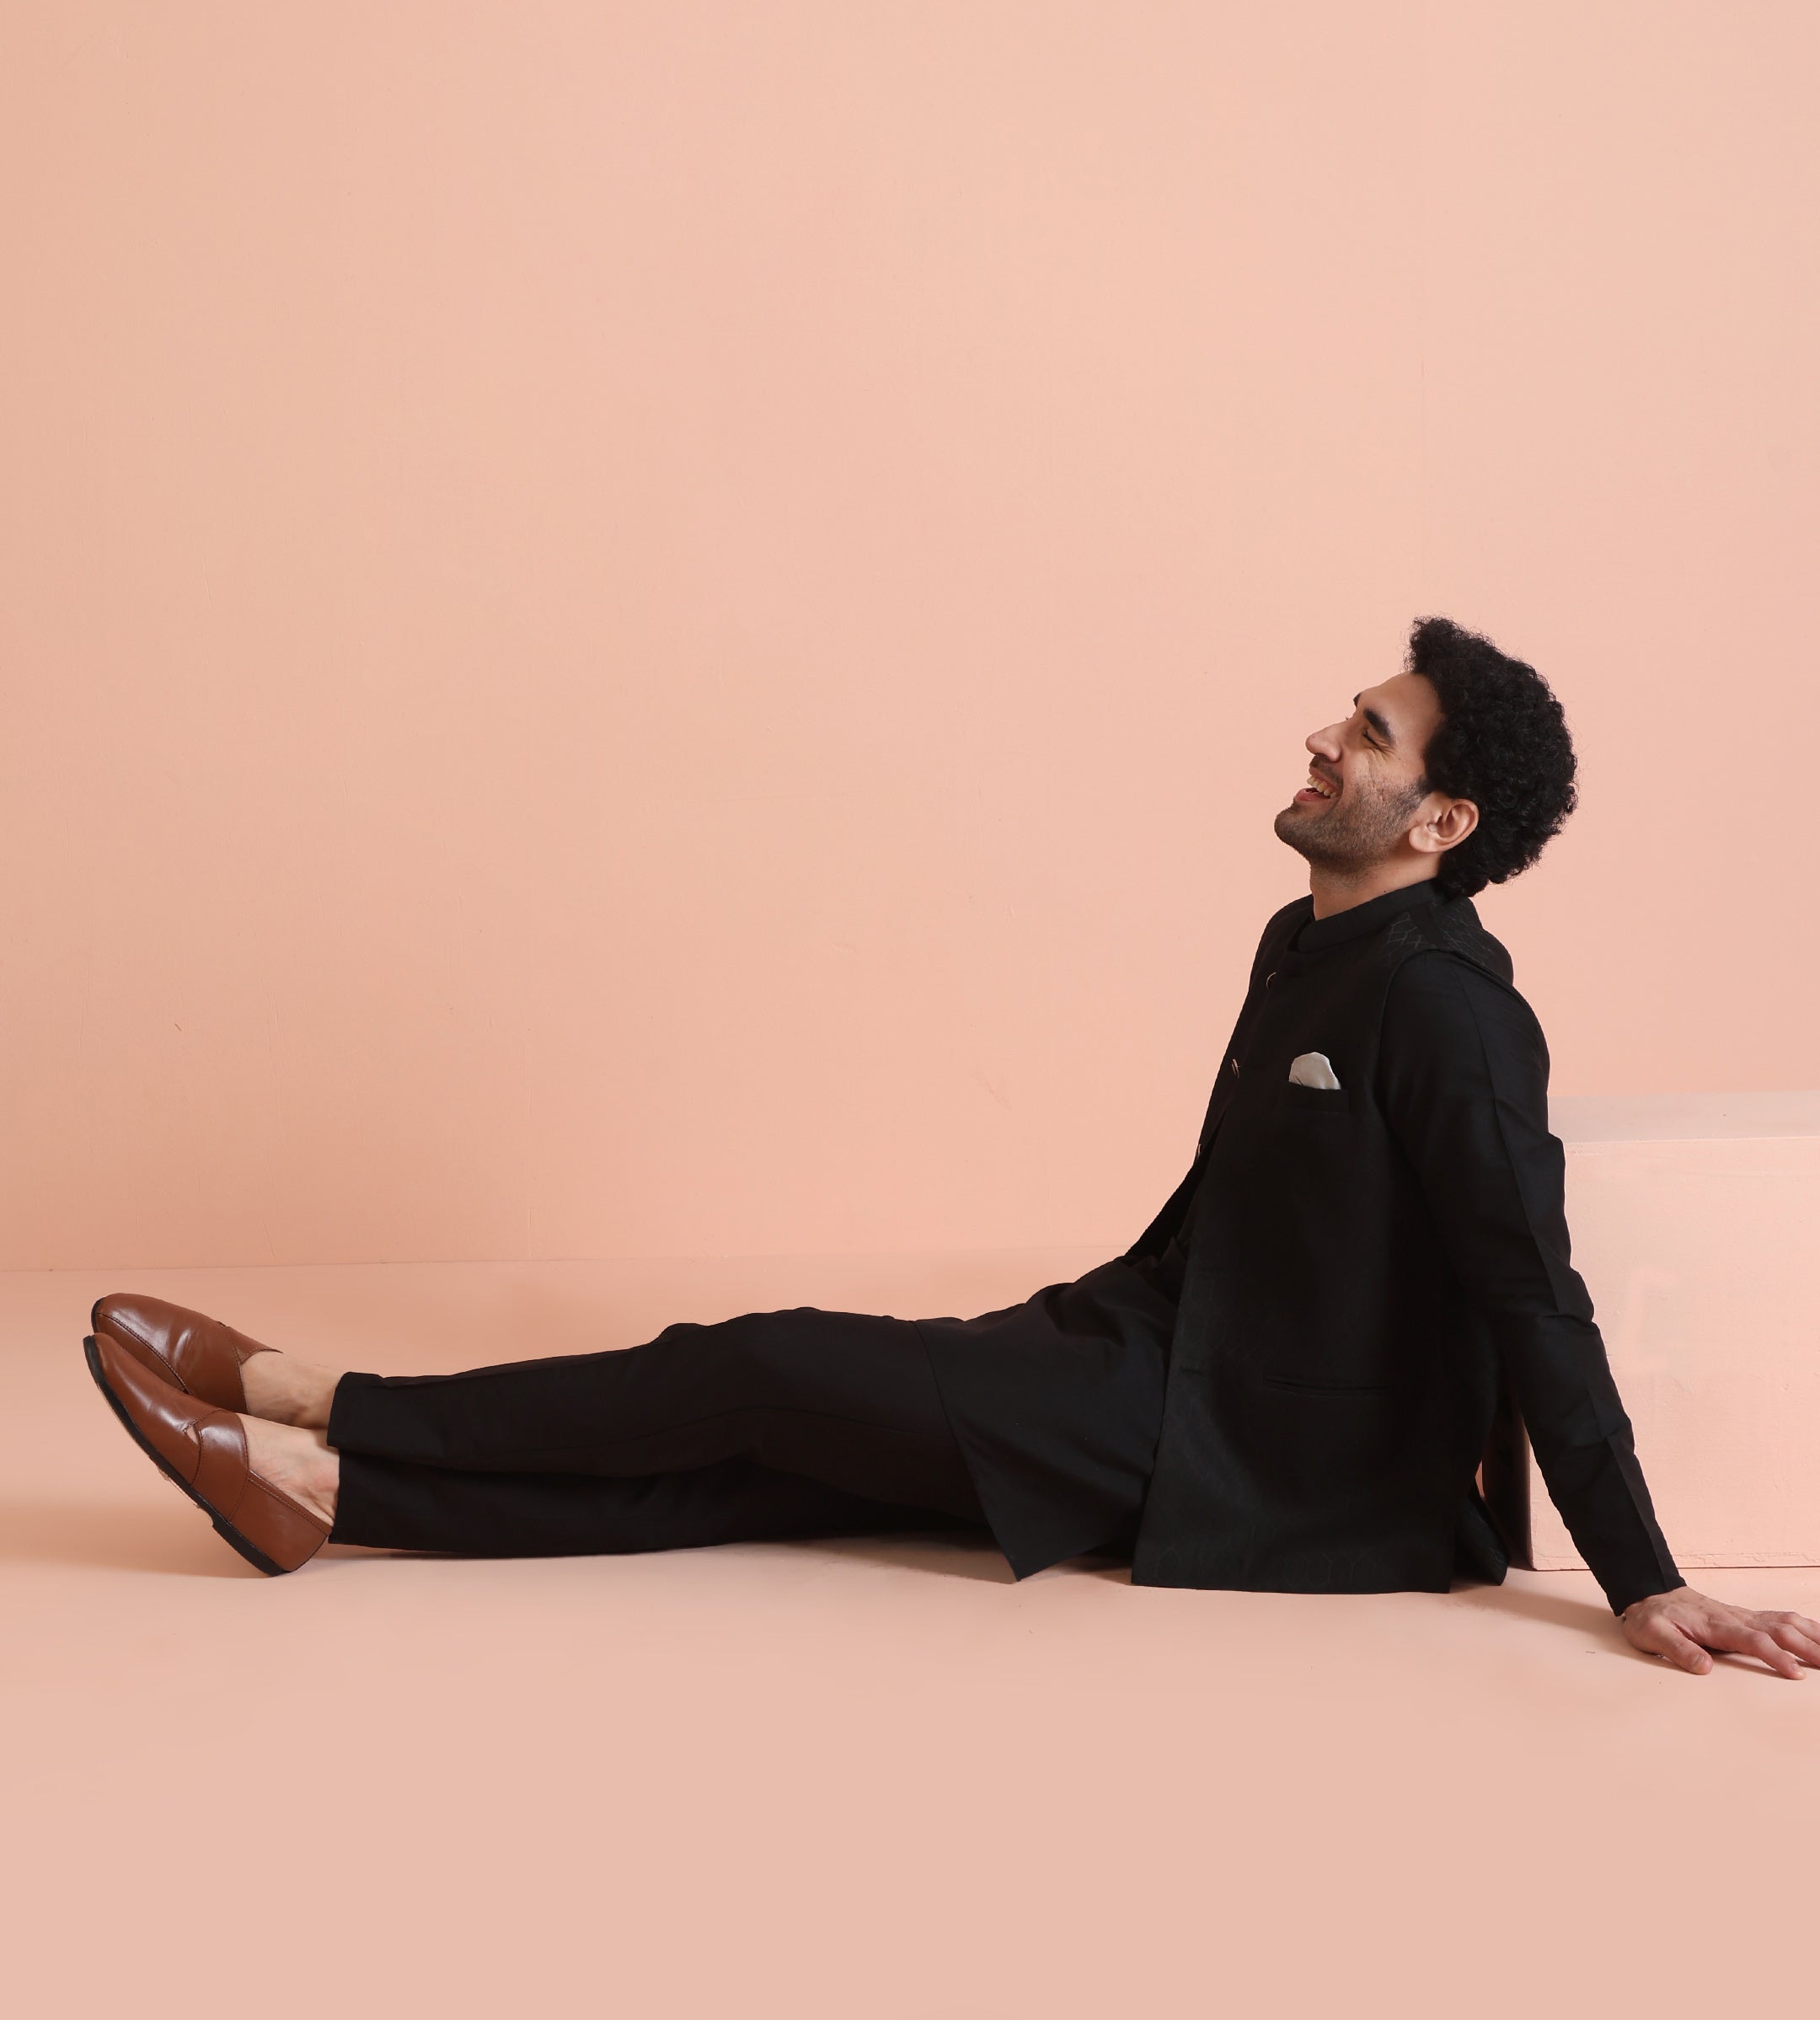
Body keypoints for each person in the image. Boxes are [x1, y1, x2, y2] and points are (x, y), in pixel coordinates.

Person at [85, 616, 1820, 1680]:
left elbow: (1532, 1288)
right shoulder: (1306, 943)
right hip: (1143, 1351)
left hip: (1243, 1445)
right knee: (785, 1467)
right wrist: (1071, 1326)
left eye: (1368, 734)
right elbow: (1238, 1217)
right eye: (1346, 709)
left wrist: (1643, 1575)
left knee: (756, 1367)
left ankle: (324, 1400)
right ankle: (330, 1501)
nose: (1321, 734)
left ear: (1441, 820)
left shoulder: (1452, 1008)